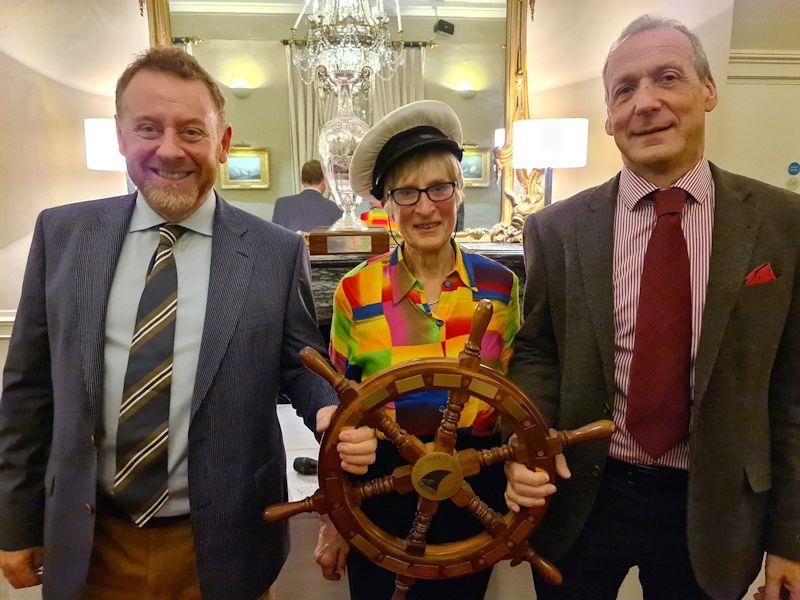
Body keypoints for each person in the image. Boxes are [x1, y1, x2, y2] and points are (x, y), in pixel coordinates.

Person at [0, 47, 349, 599]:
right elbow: (27, 392)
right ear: (120, 137)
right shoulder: (62, 236)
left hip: (224, 546)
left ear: (223, 142)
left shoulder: (275, 252)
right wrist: (15, 523)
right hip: (92, 544)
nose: (169, 149)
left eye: (192, 131)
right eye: (147, 128)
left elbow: (298, 363)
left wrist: (329, 407)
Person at [506, 14, 800, 600]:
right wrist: (527, 447)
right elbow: (538, 354)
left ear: (709, 91)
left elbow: (793, 388)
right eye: (625, 90)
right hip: (585, 499)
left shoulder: (782, 225)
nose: (647, 103)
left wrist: (790, 538)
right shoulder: (555, 229)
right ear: (610, 116)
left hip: (716, 507)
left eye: (668, 78)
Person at [312, 100, 528, 599]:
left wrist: (522, 468)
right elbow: (343, 413)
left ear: (460, 191)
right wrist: (336, 518)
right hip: (382, 493)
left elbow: (513, 399)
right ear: (386, 202)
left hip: (474, 487)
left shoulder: (499, 287)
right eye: (407, 192)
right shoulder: (356, 291)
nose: (425, 207)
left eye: (439, 188)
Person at [272, 159, 342, 232]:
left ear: (301, 180)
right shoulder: (335, 208)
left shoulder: (281, 204)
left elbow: (274, 236)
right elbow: (338, 240)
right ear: (324, 180)